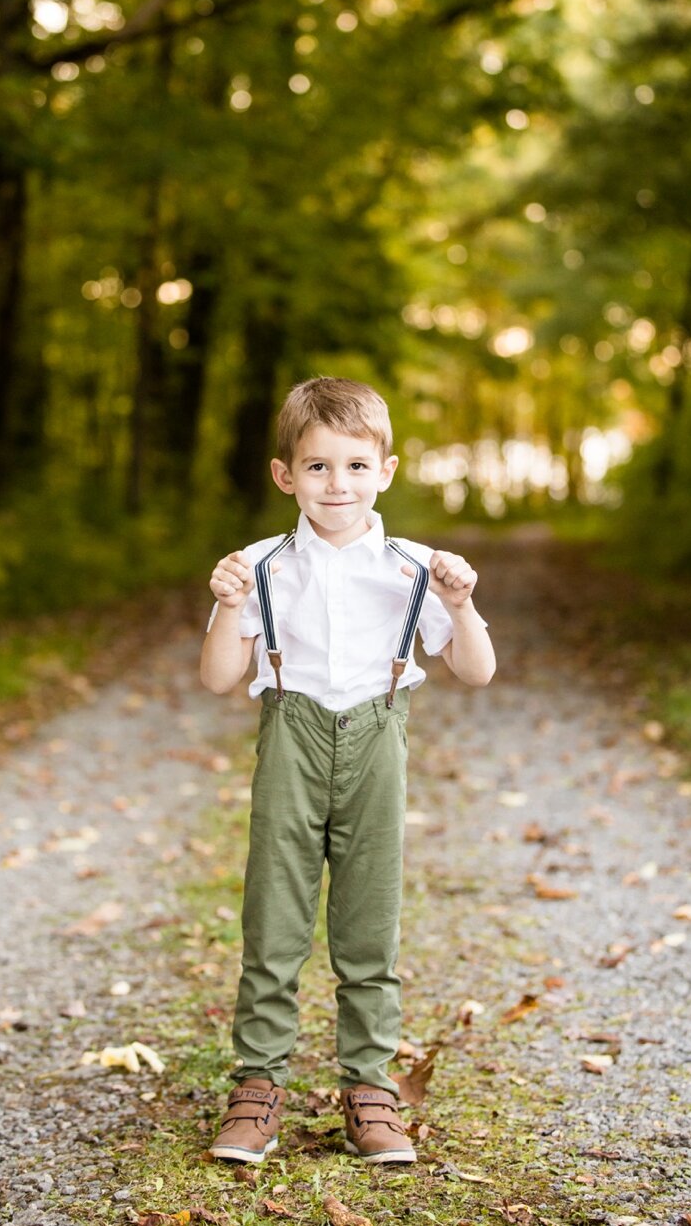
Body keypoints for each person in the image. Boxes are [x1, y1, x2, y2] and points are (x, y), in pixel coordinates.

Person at [194, 377, 497, 1164]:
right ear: (284, 475)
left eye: (357, 466)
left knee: (369, 925)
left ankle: (369, 1087)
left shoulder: (416, 567)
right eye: (319, 467)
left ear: (386, 472)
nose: (339, 484)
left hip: (377, 737)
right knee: (274, 917)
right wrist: (227, 605)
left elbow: (477, 670)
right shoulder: (259, 566)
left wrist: (461, 606)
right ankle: (258, 1085)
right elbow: (219, 678)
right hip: (290, 734)